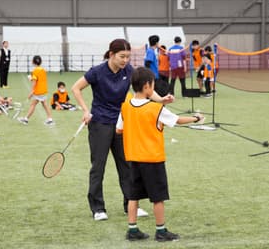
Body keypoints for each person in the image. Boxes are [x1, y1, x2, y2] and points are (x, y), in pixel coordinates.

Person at [72, 38, 174, 221]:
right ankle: (98, 208)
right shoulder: (97, 72)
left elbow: (146, 89)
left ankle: (130, 205)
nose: (125, 60)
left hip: (122, 123)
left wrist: (161, 99)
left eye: (128, 57)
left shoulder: (128, 71)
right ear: (111, 54)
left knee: (127, 166)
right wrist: (86, 110)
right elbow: (76, 88)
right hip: (100, 124)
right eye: (122, 56)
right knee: (98, 167)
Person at [116, 67, 204, 242]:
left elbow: (119, 130)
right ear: (148, 86)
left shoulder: (125, 106)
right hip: (152, 159)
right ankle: (161, 231)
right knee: (158, 198)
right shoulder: (155, 109)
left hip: (133, 159)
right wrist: (196, 118)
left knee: (133, 196)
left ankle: (132, 230)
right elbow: (177, 120)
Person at [17, 55, 54, 126]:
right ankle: (50, 119)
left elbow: (34, 82)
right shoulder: (43, 70)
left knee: (33, 104)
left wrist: (31, 92)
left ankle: (26, 119)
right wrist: (31, 78)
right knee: (44, 104)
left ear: (33, 62)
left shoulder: (35, 71)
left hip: (38, 91)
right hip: (43, 90)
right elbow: (39, 80)